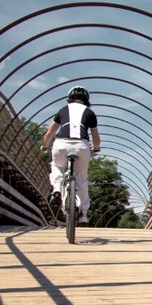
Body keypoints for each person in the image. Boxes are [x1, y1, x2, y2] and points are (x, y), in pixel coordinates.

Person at [41, 85, 101, 224]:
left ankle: (57, 189)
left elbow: (49, 134)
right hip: (81, 146)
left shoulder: (62, 110)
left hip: (61, 144)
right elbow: (96, 139)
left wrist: (45, 146)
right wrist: (96, 148)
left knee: (57, 166)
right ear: (86, 99)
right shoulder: (90, 113)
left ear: (70, 98)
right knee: (82, 179)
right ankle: (83, 214)